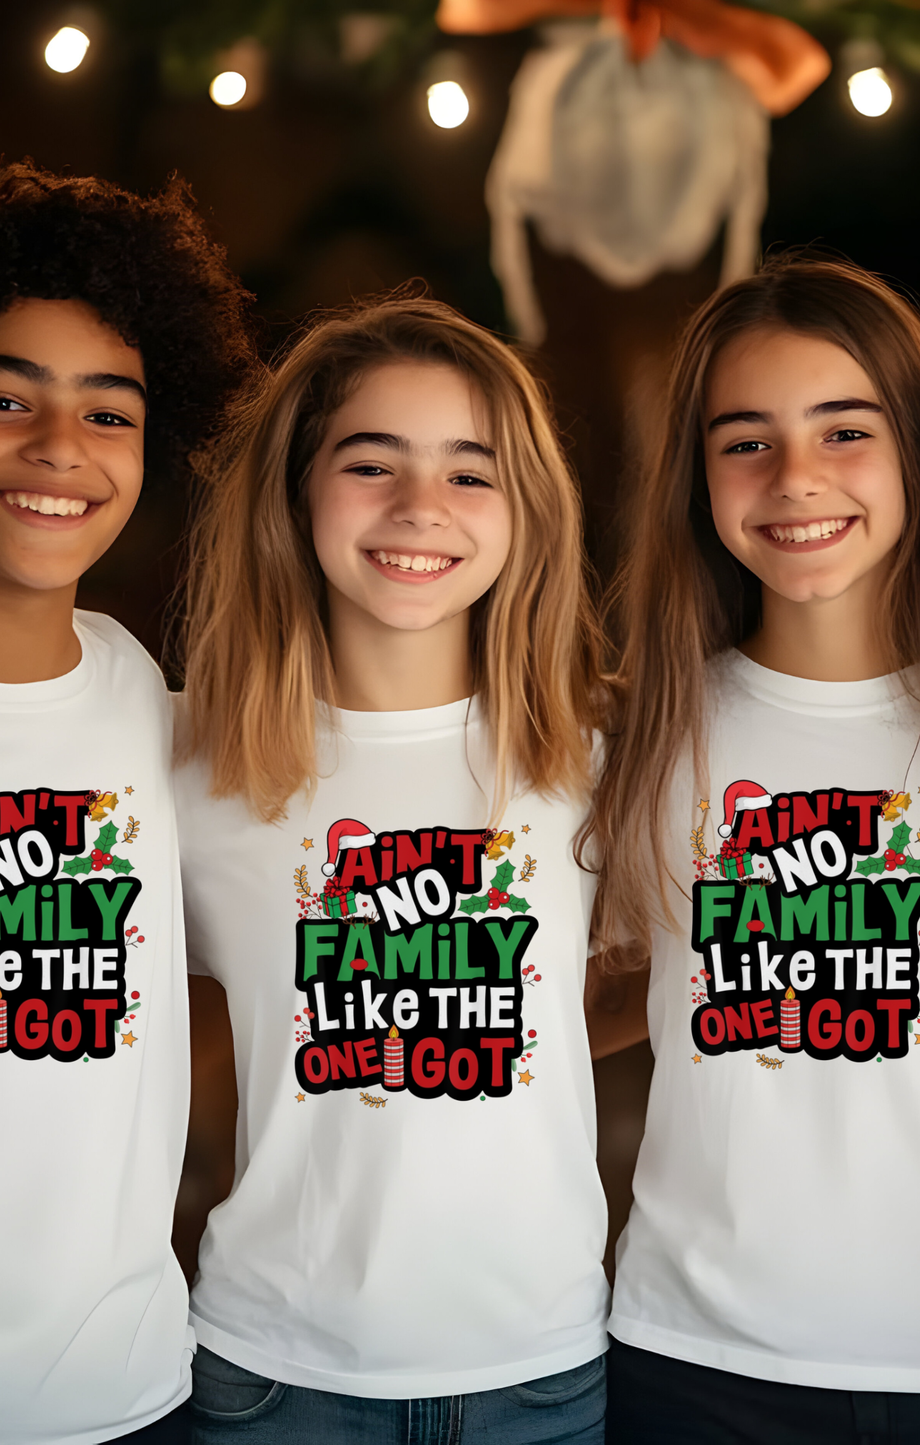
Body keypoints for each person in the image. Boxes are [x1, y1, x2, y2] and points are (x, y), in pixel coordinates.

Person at [586, 256, 920, 1444]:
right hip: (684, 1354)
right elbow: (579, 997)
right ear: (696, 476)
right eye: (744, 440)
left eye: (844, 429)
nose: (794, 477)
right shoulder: (635, 730)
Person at [173, 295, 608, 1441]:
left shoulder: (597, 762)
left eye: (472, 472)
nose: (421, 507)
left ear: (528, 512)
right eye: (372, 462)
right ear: (296, 489)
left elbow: (630, 988)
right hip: (274, 1376)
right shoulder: (184, 770)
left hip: (546, 1375)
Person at [0, 164, 252, 1443]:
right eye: (3, 399)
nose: (60, 448)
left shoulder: (140, 692)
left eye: (110, 412)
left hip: (134, 1395)